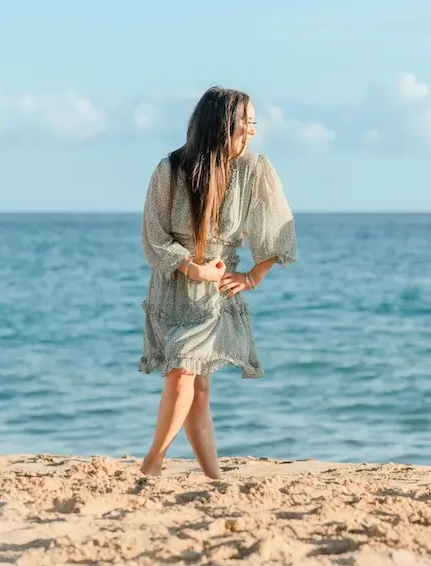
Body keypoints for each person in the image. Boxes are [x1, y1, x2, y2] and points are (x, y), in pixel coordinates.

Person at [138, 86, 297, 479]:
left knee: (188, 375)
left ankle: (162, 465)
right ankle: (192, 471)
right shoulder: (170, 170)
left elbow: (279, 230)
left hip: (215, 296)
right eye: (245, 122)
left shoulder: (254, 170)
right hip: (173, 290)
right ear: (220, 126)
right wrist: (192, 268)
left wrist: (253, 276)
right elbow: (153, 237)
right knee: (188, 378)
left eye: (253, 123)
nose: (252, 131)